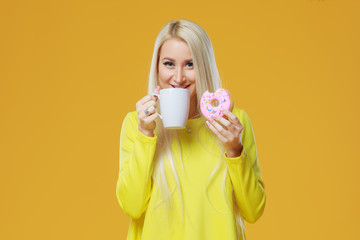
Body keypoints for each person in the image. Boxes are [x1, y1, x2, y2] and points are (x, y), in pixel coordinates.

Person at [116, 19, 266, 240]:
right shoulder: (136, 125)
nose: (178, 77)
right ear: (157, 67)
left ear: (204, 66)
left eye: (190, 64)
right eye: (169, 64)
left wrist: (235, 151)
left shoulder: (234, 123)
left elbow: (253, 211)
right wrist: (145, 135)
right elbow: (132, 206)